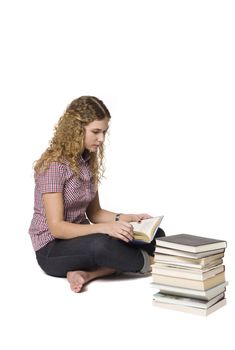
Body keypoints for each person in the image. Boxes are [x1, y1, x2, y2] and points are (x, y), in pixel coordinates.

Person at [29, 96, 165, 293]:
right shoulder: (54, 166)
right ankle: (155, 263)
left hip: (79, 240)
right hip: (51, 248)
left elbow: (95, 214)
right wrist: (106, 229)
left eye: (104, 132)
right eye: (96, 132)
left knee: (155, 236)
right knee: (102, 246)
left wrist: (129, 219)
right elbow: (57, 228)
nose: (101, 139)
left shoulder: (86, 161)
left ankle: (86, 274)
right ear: (76, 129)